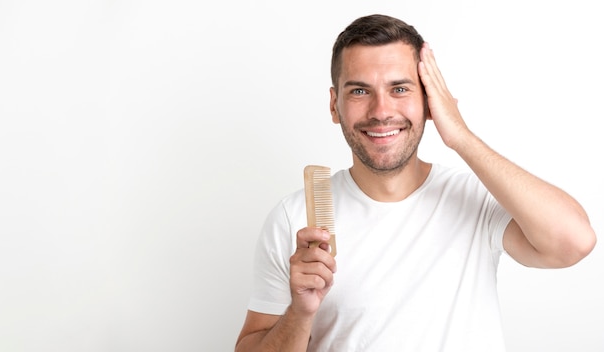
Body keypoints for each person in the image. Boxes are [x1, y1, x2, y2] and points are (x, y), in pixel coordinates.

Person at [235, 14, 596, 352]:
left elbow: (574, 242)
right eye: (360, 91)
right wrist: (300, 312)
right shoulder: (294, 218)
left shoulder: (475, 200)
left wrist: (460, 135)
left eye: (400, 89)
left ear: (429, 101)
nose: (380, 111)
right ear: (334, 105)